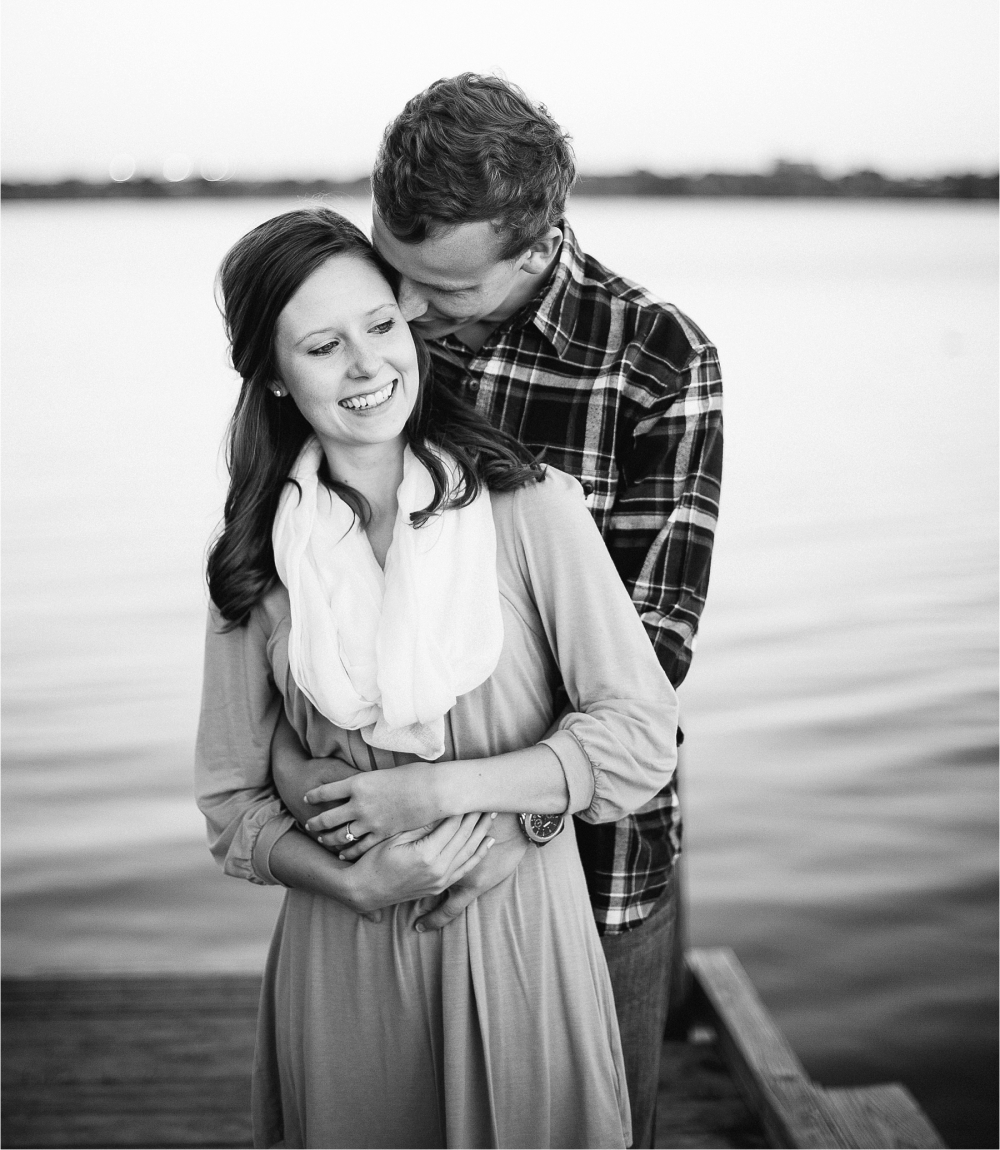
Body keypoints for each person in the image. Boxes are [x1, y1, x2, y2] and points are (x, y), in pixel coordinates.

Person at [271, 73, 723, 1147]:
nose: (410, 321)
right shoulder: (366, 333)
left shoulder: (655, 363)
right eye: (396, 277)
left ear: (535, 243)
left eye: (446, 294)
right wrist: (337, 803)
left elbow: (647, 653)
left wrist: (502, 814)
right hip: (377, 864)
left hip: (585, 862)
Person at [195, 207, 679, 1149]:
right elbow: (229, 804)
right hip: (340, 954)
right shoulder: (255, 560)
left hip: (515, 938)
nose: (369, 366)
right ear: (277, 379)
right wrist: (358, 884)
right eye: (324, 346)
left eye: (381, 326)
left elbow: (638, 736)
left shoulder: (530, 506)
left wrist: (430, 792)